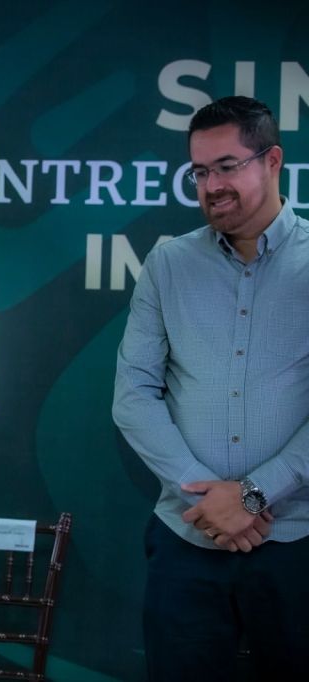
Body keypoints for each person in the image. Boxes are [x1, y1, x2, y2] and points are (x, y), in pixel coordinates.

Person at [113, 96, 309, 680]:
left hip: (296, 540)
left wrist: (251, 496)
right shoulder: (168, 264)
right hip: (187, 541)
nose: (211, 186)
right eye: (200, 172)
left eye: (227, 166)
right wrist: (207, 500)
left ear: (272, 161)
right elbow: (133, 395)